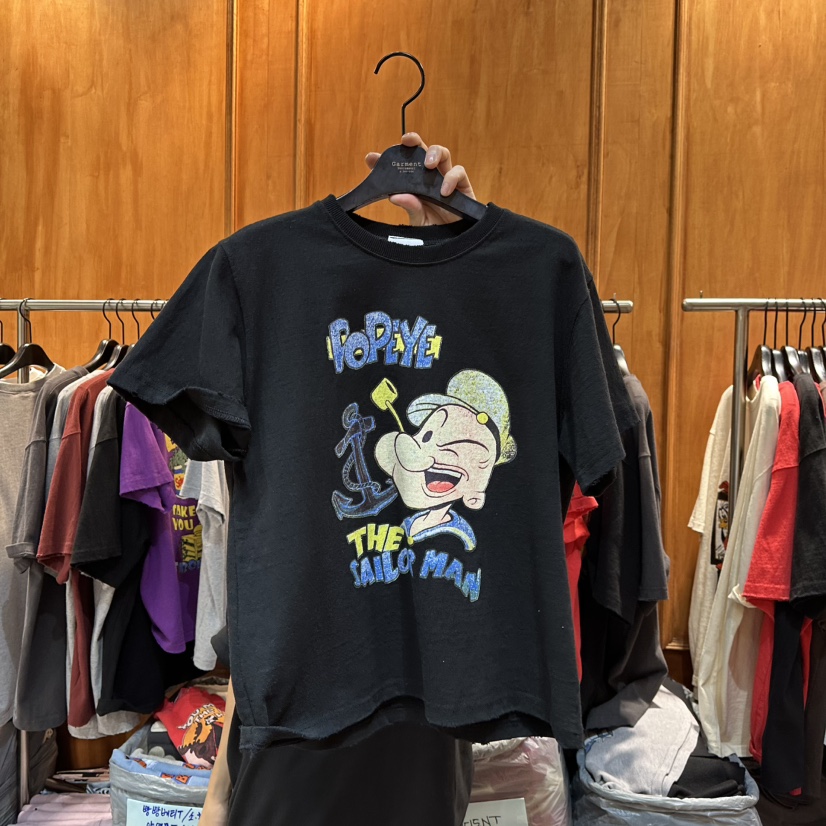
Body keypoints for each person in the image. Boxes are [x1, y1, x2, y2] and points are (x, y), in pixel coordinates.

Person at [199, 132, 478, 826]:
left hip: (419, 772)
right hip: (284, 777)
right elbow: (256, 642)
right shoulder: (259, 281)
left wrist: (463, 264)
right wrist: (217, 800)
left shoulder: (486, 318)